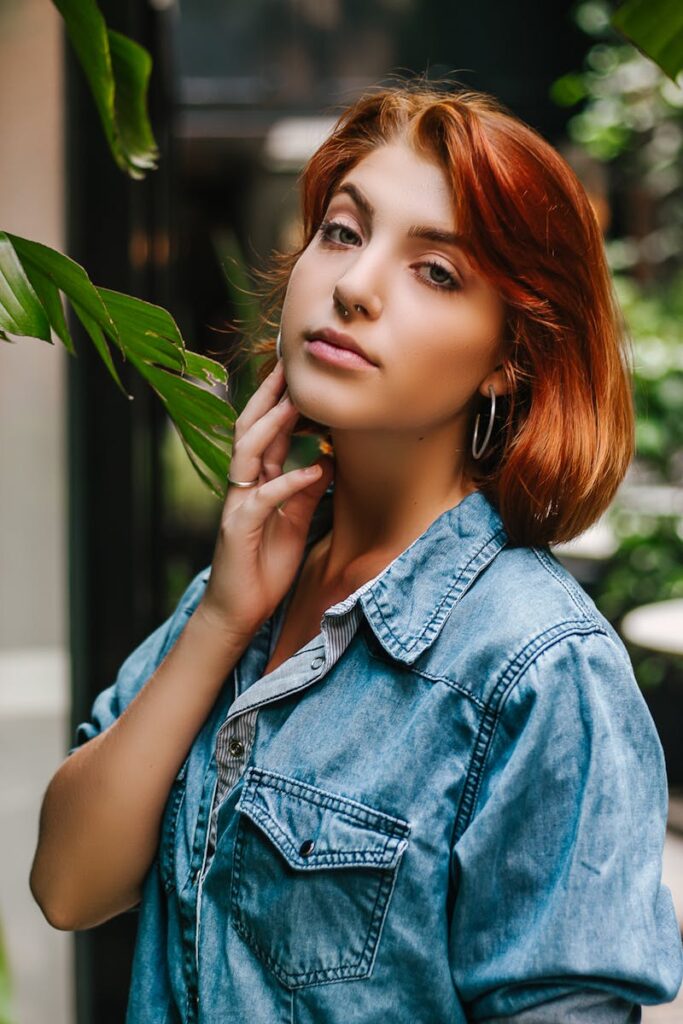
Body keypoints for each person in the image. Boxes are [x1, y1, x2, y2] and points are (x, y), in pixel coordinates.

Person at [30, 79, 683, 1023]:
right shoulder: (248, 587)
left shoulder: (539, 668)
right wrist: (221, 622)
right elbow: (68, 885)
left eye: (436, 271)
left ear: (508, 357)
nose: (353, 286)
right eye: (342, 231)